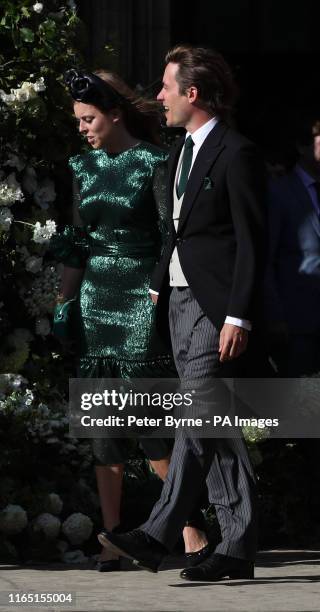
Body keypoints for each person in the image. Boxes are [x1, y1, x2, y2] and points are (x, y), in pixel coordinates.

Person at [99, 45, 266, 581]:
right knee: (214, 424)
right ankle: (237, 550)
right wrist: (157, 288)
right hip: (176, 304)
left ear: (192, 94)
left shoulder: (235, 152)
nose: (160, 97)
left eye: (167, 87)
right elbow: (175, 231)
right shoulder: (179, 155)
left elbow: (251, 242)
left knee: (197, 417)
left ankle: (156, 532)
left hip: (213, 309)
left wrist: (238, 315)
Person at [51, 68, 206, 571]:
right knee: (103, 424)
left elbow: (170, 235)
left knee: (151, 420)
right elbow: (76, 241)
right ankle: (113, 538)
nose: (82, 128)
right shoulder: (83, 166)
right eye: (78, 120)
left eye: (89, 118)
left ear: (115, 114)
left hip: (142, 298)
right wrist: (64, 301)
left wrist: (162, 294)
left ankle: (188, 529)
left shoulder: (155, 161)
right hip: (96, 301)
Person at [265, 110, 320, 376]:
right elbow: (267, 258)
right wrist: (275, 317)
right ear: (302, 145)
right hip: (298, 320)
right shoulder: (279, 192)